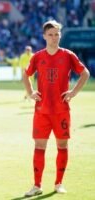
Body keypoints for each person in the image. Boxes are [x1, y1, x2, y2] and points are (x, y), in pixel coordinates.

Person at [23, 20, 90, 197]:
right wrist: (30, 92)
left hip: (61, 111)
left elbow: (85, 73)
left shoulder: (68, 55)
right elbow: (26, 73)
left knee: (62, 145)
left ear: (60, 35)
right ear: (44, 36)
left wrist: (73, 92)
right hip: (41, 111)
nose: (54, 38)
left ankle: (59, 183)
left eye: (57, 34)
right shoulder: (37, 56)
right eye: (50, 35)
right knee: (39, 145)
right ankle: (37, 185)